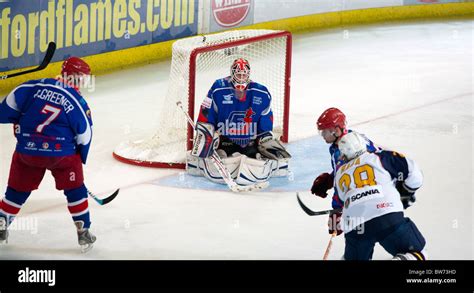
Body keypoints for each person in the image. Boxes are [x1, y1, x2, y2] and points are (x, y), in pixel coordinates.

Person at [0, 57, 95, 252]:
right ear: (76, 77)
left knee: (16, 192)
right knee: (75, 190)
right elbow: (85, 135)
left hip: (28, 152)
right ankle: (83, 232)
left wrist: (22, 126)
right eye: (82, 78)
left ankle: (1, 228)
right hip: (62, 156)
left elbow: (5, 112)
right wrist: (79, 157)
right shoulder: (77, 101)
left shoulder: (31, 86)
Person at [186, 58, 291, 186]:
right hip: (223, 141)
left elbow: (265, 124)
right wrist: (206, 135)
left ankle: (256, 158)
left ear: (249, 74)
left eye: (244, 74)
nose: (241, 78)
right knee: (216, 152)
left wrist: (265, 139)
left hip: (249, 142)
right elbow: (206, 115)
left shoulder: (261, 93)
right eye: (238, 74)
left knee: (263, 154)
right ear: (232, 73)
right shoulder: (218, 88)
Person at [332, 131, 426, 260]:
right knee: (417, 253)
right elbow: (415, 174)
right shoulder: (380, 157)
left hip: (355, 225)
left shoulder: (339, 174)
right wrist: (405, 192)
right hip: (387, 216)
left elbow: (342, 199)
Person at [310, 108, 379, 232]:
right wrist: (331, 179)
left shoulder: (346, 149)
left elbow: (347, 180)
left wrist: (338, 210)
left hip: (365, 202)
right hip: (373, 196)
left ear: (336, 130)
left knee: (359, 242)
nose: (323, 136)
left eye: (325, 132)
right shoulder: (351, 140)